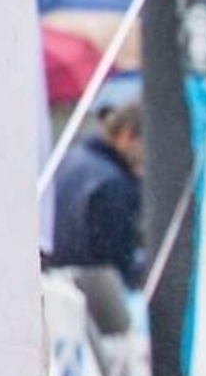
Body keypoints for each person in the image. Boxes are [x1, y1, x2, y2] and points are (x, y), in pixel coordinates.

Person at [47, 102, 146, 288]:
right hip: (96, 291)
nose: (146, 157)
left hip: (57, 282)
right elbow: (118, 262)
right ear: (126, 135)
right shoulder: (112, 183)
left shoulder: (70, 159)